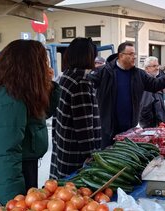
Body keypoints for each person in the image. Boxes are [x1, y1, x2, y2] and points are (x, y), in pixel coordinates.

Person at [0, 40, 60, 207]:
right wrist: (15, 203)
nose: (46, 67)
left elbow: (43, 114)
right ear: (29, 67)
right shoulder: (8, 101)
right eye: (43, 63)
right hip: (11, 176)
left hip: (22, 169)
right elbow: (5, 157)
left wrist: (49, 85)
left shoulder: (20, 92)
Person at [88, 42, 165, 149]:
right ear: (121, 56)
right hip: (108, 126)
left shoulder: (139, 74)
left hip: (129, 128)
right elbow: (88, 84)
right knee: (108, 156)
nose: (134, 57)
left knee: (126, 155)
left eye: (134, 54)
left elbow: (154, 85)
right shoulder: (104, 71)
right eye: (130, 54)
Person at [50, 37, 101, 179]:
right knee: (73, 191)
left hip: (64, 145)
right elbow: (84, 125)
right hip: (76, 156)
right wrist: (92, 156)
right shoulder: (81, 82)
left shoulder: (66, 76)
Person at [139, 56, 165, 128]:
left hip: (157, 122)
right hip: (151, 124)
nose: (157, 68)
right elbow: (145, 107)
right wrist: (151, 124)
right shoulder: (147, 83)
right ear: (147, 68)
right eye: (154, 66)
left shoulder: (154, 80)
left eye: (157, 65)